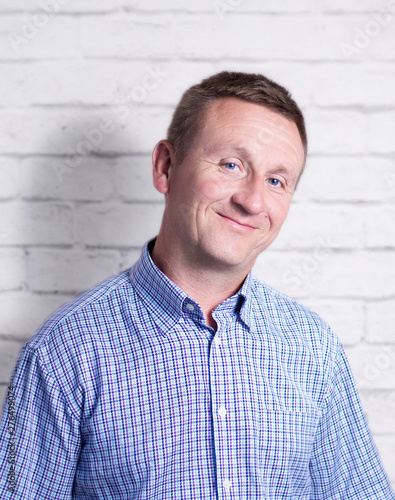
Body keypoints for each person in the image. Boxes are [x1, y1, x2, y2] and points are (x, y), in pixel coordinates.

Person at [0, 71, 394, 499]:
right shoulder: (64, 351)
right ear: (166, 167)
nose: (253, 201)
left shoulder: (312, 348)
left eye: (276, 181)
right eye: (231, 165)